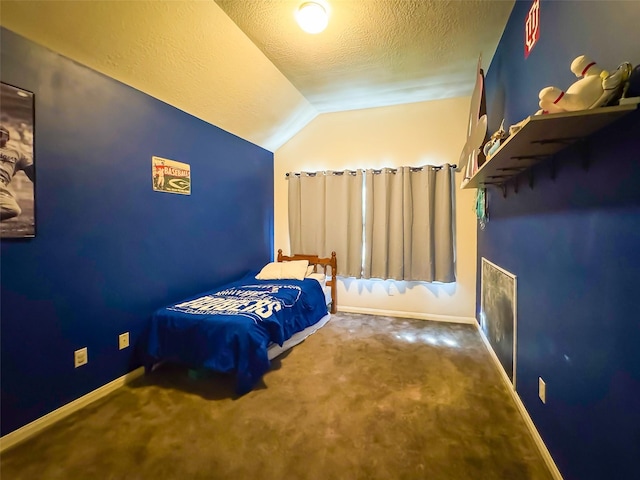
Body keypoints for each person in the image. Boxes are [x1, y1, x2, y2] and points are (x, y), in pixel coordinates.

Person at [0, 125, 34, 221]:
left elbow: (33, 174)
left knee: (11, 209)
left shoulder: (18, 154)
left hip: (1, 184)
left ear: (7, 137)